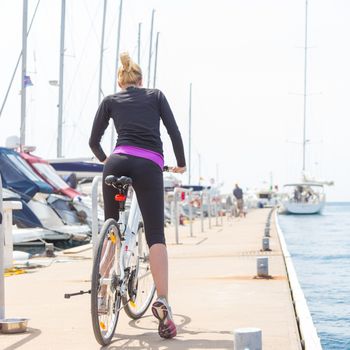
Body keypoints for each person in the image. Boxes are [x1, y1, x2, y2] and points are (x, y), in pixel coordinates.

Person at [89, 52, 186, 339]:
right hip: (148, 164)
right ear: (141, 81)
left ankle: (104, 289)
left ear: (121, 83)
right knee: (156, 235)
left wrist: (107, 160)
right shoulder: (156, 96)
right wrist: (180, 163)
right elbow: (173, 130)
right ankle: (163, 303)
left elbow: (93, 141)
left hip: (115, 161)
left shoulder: (110, 100)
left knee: (111, 228)